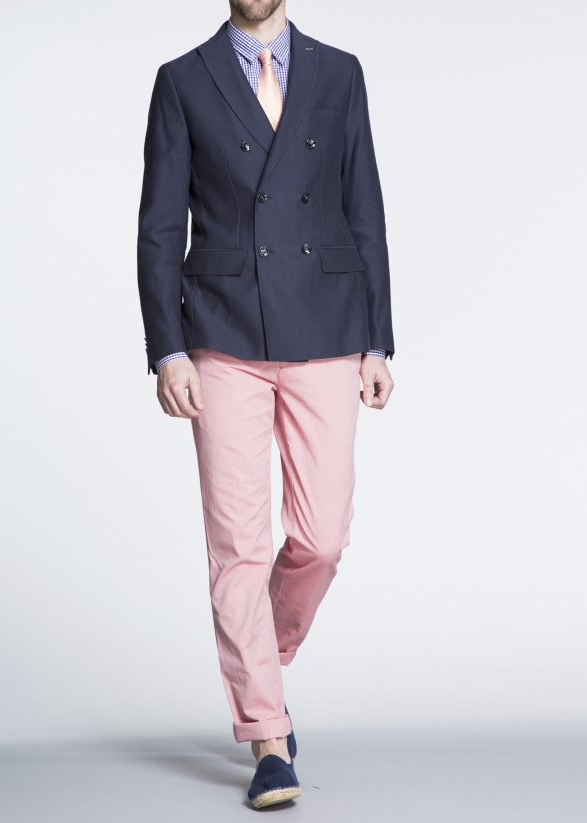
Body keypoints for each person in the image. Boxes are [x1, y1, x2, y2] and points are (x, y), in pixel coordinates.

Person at [137, 0, 394, 808]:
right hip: (221, 332)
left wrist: (378, 339)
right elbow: (159, 227)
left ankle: (262, 662)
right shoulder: (182, 81)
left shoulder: (339, 73)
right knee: (238, 545)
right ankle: (268, 737)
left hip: (327, 324)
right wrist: (167, 349)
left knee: (321, 536)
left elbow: (364, 205)